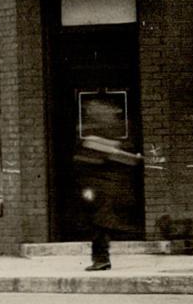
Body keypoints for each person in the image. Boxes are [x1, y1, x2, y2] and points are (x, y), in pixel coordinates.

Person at [72, 97, 141, 272]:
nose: (90, 112)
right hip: (98, 188)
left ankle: (101, 259)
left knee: (99, 223)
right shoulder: (97, 131)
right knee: (99, 223)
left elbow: (122, 158)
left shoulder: (107, 131)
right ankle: (101, 258)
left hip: (103, 188)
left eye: (94, 108)